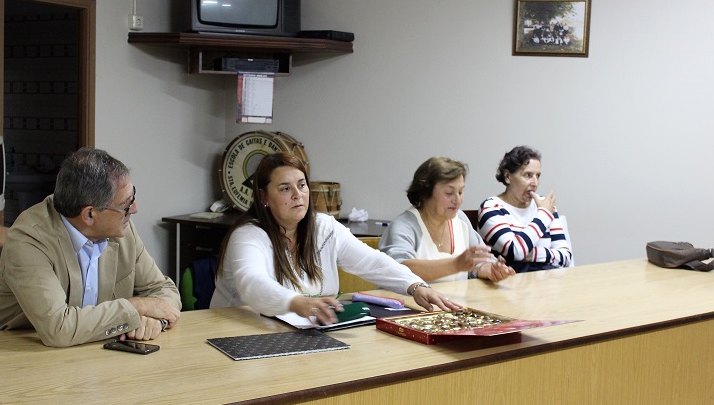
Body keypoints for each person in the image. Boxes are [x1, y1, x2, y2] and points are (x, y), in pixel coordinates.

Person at [209, 152, 460, 325]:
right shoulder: (248, 235)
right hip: (236, 335)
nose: (298, 195)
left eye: (302, 185)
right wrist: (295, 302)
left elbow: (371, 261)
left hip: (300, 332)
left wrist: (415, 286)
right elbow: (252, 283)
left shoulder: (323, 226)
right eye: (285, 188)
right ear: (263, 197)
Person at [0, 147, 182, 347]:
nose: (134, 209)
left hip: (92, 352)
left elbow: (164, 290)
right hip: (13, 355)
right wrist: (136, 307)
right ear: (90, 214)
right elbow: (58, 329)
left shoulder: (123, 231)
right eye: (126, 204)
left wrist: (156, 320)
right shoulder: (29, 239)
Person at [379, 157, 514, 283]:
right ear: (425, 193)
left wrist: (489, 269)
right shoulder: (404, 226)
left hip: (457, 306)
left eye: (460, 192)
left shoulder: (460, 219)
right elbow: (397, 270)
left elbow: (477, 261)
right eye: (449, 193)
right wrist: (456, 265)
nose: (457, 200)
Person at [478, 146, 573, 273]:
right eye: (528, 175)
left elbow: (566, 257)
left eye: (538, 176)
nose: (535, 183)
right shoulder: (491, 208)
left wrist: (531, 254)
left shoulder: (546, 205)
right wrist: (544, 215)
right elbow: (515, 251)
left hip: (546, 284)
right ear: (507, 176)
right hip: (509, 285)